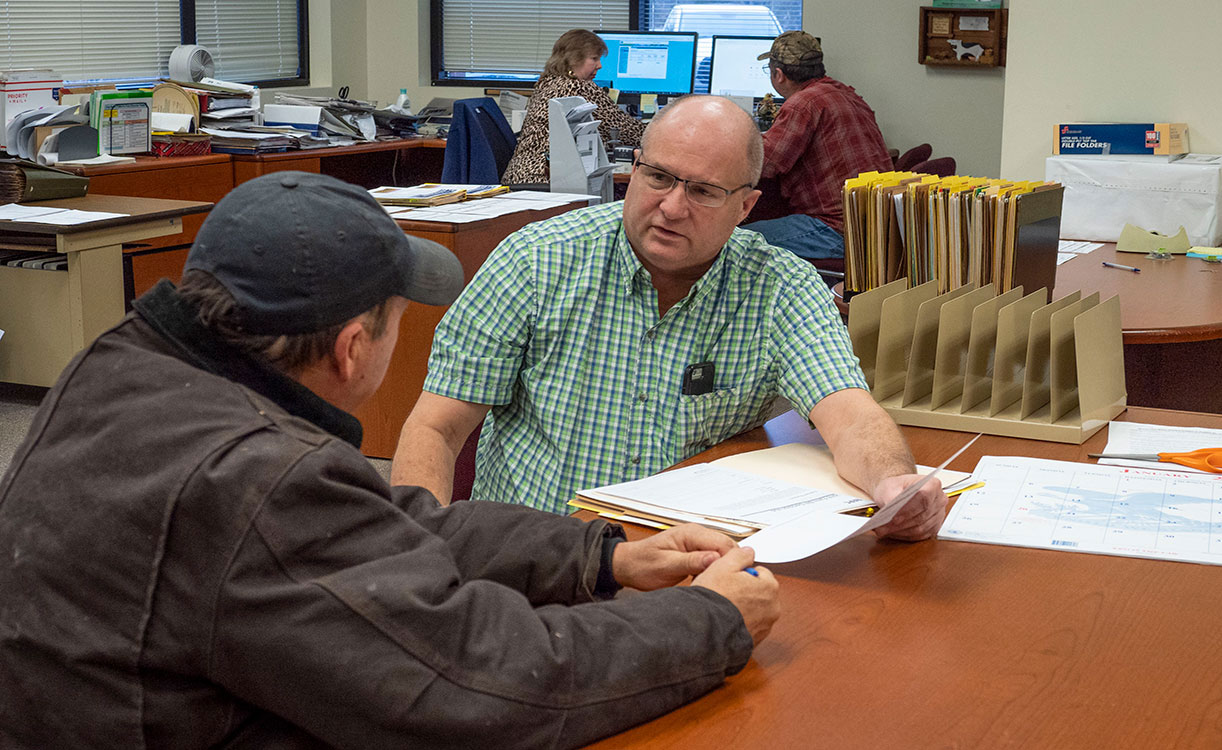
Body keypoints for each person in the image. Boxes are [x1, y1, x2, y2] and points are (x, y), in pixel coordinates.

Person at [0, 172, 780, 748]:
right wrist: (708, 620)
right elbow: (478, 682)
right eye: (400, 318)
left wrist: (607, 558)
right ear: (352, 349)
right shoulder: (257, 477)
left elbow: (372, 525)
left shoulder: (120, 369)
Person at [393, 96, 946, 541]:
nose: (673, 206)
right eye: (658, 177)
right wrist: (421, 554)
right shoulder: (536, 261)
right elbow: (436, 429)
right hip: (533, 556)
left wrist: (895, 483)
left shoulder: (780, 286)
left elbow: (849, 413)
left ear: (745, 207)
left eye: (704, 191)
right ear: (632, 171)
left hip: (687, 561)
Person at [741, 31, 895, 260]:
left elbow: (766, 164)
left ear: (778, 74)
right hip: (874, 226)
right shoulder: (844, 92)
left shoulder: (804, 104)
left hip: (837, 230)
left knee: (732, 241)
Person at [501, 28, 644, 185]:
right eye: (594, 59)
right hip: (547, 179)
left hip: (520, 176)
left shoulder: (546, 83)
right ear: (574, 59)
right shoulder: (580, 87)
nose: (600, 65)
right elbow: (627, 131)